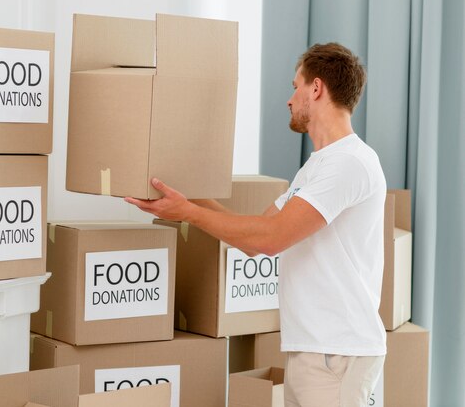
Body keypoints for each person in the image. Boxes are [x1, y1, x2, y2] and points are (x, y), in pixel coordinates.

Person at [125, 42, 386, 407]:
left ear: (316, 88)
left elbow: (271, 239)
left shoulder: (350, 163)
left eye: (295, 86)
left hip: (336, 354)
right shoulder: (319, 166)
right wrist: (184, 196)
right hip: (314, 350)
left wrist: (186, 212)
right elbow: (253, 234)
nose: (289, 99)